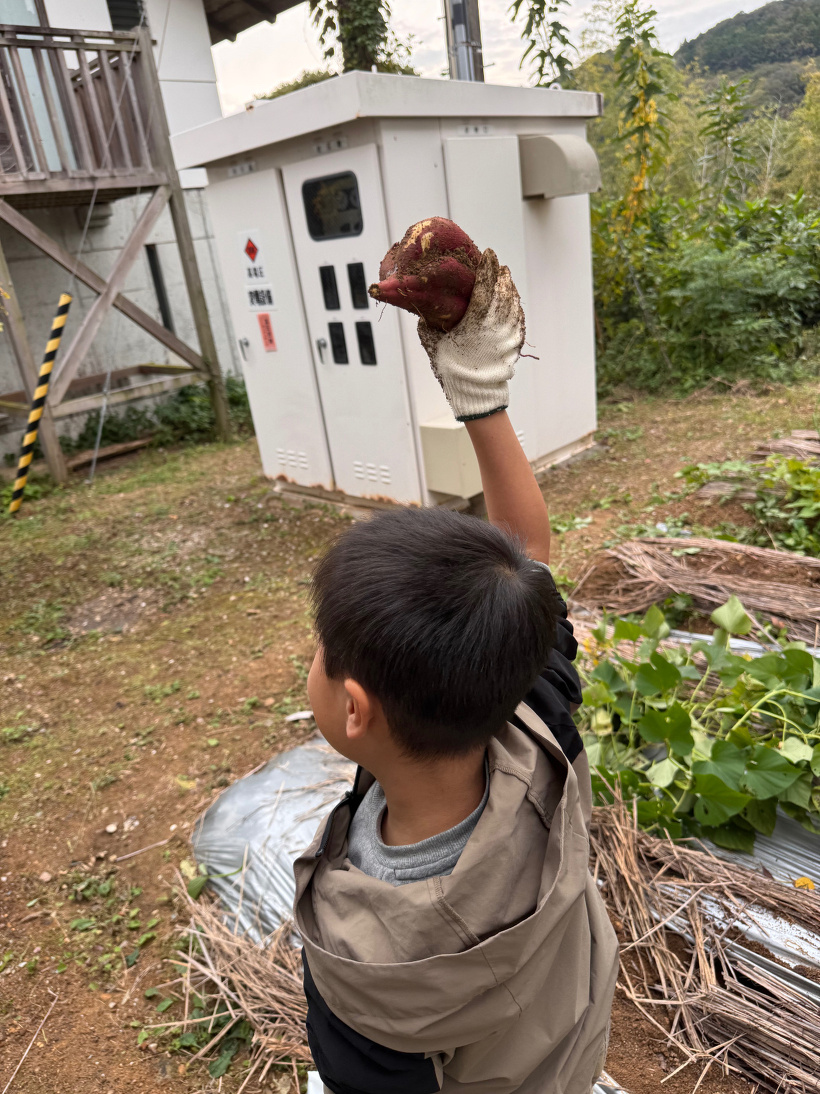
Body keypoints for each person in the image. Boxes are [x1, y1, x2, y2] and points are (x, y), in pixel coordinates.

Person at [294, 248, 619, 1094]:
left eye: (320, 648)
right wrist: (482, 396)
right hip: (560, 1055)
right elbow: (527, 560)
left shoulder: (363, 957)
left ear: (356, 709)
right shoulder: (533, 725)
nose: (313, 660)